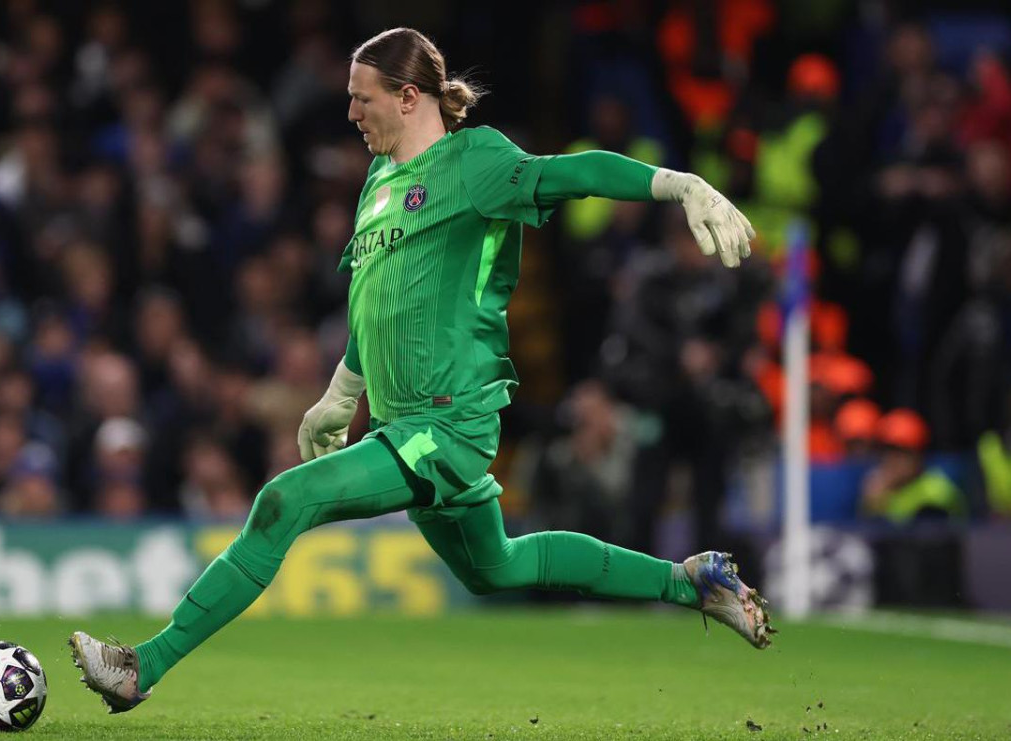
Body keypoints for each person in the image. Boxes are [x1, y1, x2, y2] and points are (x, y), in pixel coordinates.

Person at [69, 27, 772, 713]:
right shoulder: (378, 180)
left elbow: (573, 173)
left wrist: (677, 184)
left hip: (448, 420)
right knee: (496, 566)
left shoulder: (476, 161)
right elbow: (373, 300)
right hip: (402, 421)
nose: (351, 112)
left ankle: (141, 666)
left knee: (283, 501)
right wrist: (339, 395)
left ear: (409, 97)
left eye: (362, 97)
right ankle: (693, 583)